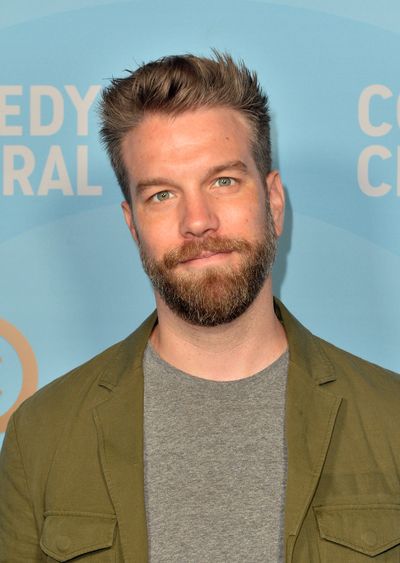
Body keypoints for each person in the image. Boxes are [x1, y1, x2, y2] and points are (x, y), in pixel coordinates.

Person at [0, 52, 399, 563]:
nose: (197, 220)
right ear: (132, 223)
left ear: (273, 200)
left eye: (223, 181)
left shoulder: (392, 421)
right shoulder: (43, 436)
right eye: (163, 194)